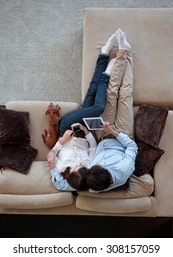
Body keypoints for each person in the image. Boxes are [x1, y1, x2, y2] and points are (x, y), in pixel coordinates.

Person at [47, 33, 118, 191]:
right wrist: (86, 133)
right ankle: (104, 54)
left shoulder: (61, 168)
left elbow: (51, 155)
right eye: (82, 167)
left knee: (99, 107)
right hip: (84, 129)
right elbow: (92, 147)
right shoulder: (88, 168)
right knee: (92, 91)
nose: (80, 164)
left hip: (66, 128)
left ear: (70, 174)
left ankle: (106, 72)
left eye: (76, 167)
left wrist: (63, 141)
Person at [86, 28, 138, 193]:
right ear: (107, 172)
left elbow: (93, 153)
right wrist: (114, 132)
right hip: (122, 135)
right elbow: (132, 147)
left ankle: (125, 52)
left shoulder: (93, 182)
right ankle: (124, 53)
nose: (98, 163)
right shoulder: (123, 170)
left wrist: (88, 133)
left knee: (111, 93)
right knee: (125, 94)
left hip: (102, 135)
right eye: (100, 166)